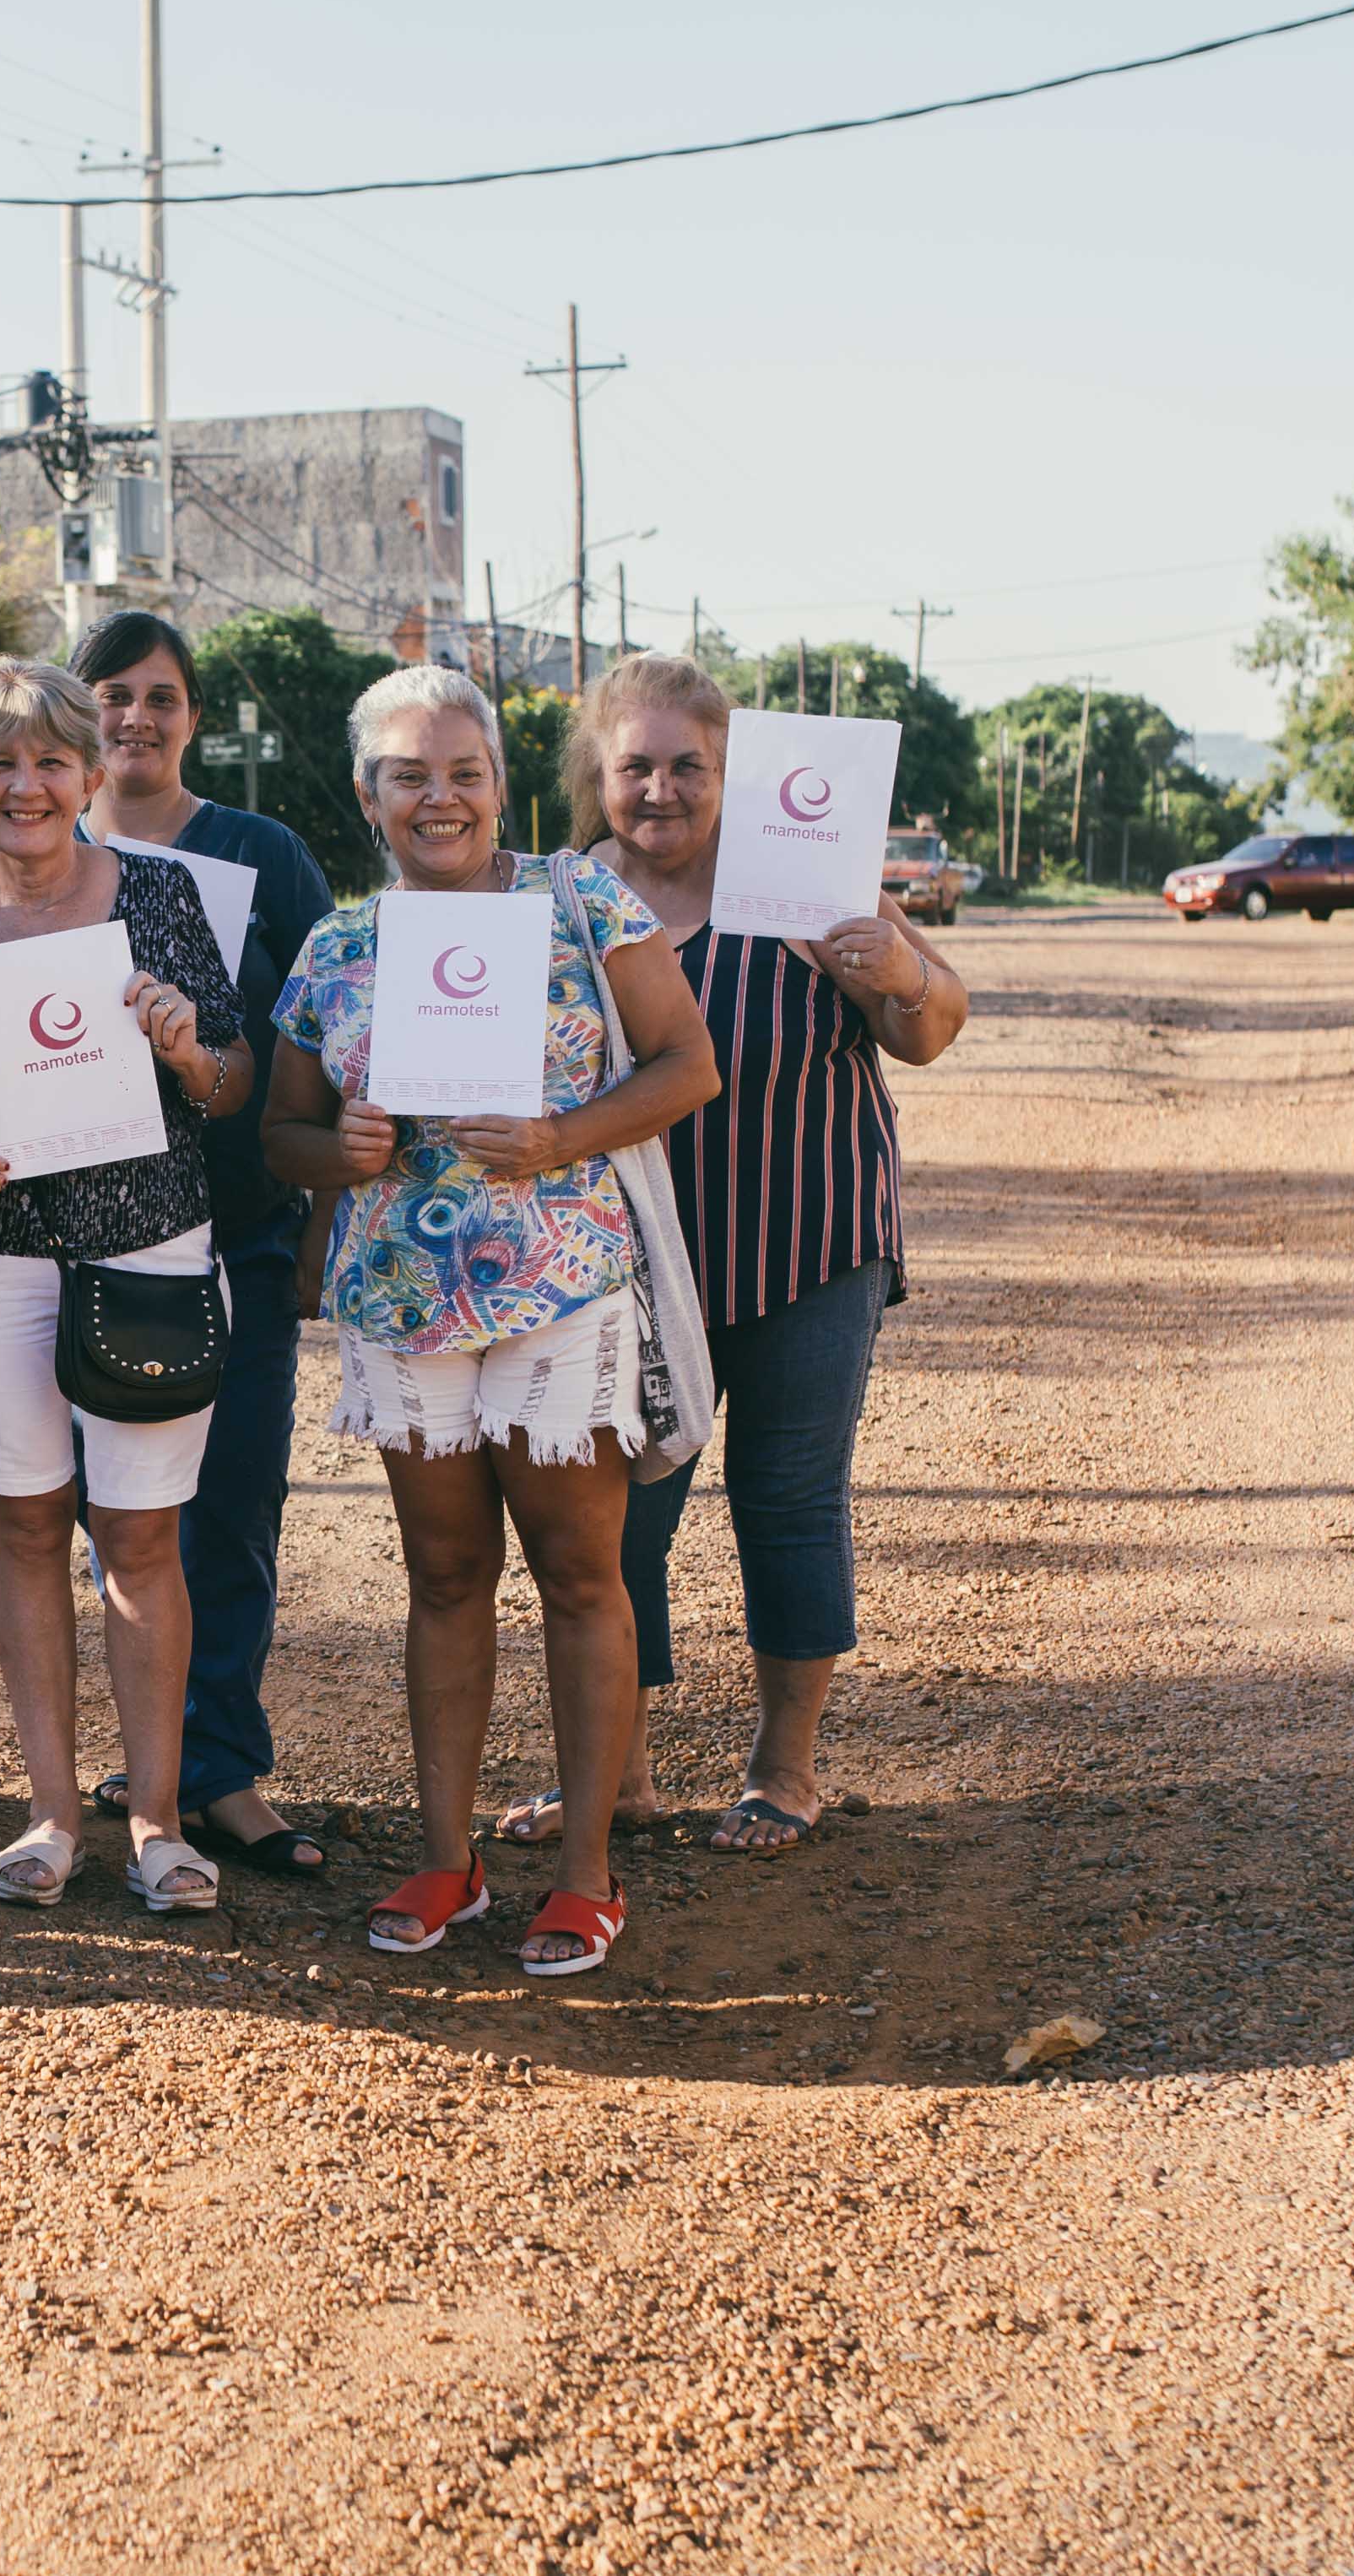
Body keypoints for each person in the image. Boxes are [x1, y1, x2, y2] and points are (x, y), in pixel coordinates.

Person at [263, 665, 717, 1979]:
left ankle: (584, 1871)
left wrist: (561, 1134)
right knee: (446, 1578)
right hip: (407, 1304)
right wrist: (332, 1146)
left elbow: (690, 1065)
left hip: (558, 1287)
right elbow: (281, 1134)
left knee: (582, 1575)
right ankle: (448, 1855)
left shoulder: (581, 902)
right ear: (369, 796)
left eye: (463, 773)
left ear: (501, 785)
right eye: (410, 776)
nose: (440, 798)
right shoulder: (341, 945)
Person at [552, 653, 963, 1853]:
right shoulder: (564, 897)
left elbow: (929, 1028)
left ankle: (783, 1770)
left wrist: (899, 974)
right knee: (616, 1518)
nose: (663, 790)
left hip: (808, 1239)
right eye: (638, 767)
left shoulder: (800, 880)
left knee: (786, 1501)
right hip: (623, 1265)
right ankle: (612, 1774)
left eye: (690, 766)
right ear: (599, 775)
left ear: (731, 776)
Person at [0, 657, 252, 1913]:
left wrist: (185, 1048)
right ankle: (53, 1815)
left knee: (145, 1534)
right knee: (25, 1521)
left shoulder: (158, 895)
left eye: (52, 759)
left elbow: (235, 1080)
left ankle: (159, 1821)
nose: (27, 784)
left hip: (147, 1243)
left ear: (91, 771)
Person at [68, 610, 338, 1876]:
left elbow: (334, 1028)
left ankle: (219, 1771)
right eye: (112, 693)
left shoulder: (261, 852)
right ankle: (133, 1780)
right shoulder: (34, 852)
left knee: (231, 1511)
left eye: (160, 695)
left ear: (192, 714)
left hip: (236, 1230)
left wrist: (324, 1214)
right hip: (78, 1241)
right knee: (112, 1525)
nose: (136, 716)